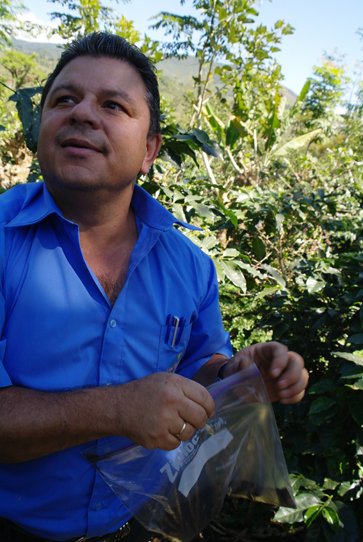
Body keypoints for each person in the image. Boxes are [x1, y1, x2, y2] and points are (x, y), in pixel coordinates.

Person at [0, 32, 309, 542]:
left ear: (149, 150)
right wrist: (118, 408)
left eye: (113, 105)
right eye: (64, 99)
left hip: (135, 524)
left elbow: (198, 368)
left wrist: (237, 374)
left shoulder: (190, 267)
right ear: (40, 128)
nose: (81, 113)